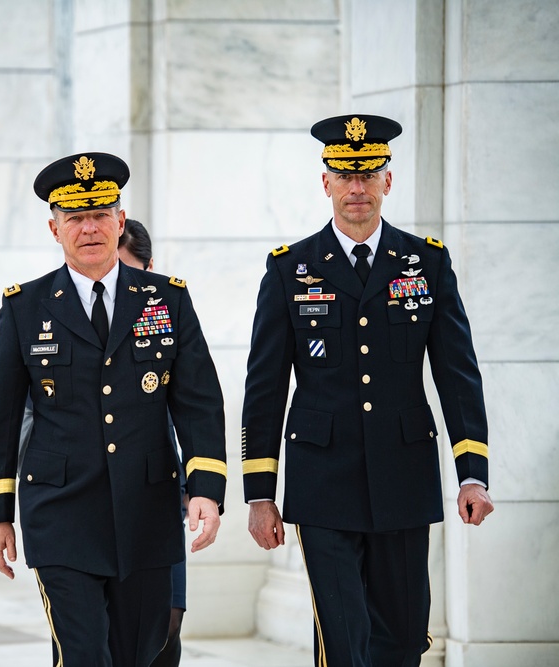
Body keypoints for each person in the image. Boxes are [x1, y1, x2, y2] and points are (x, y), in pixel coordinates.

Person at [241, 114, 493, 667]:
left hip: (404, 478)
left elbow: (458, 374)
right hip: (321, 482)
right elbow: (264, 387)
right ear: (325, 183)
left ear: (388, 180)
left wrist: (471, 473)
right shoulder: (290, 269)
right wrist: (260, 493)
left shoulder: (426, 263)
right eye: (345, 176)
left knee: (403, 639)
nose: (358, 189)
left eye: (369, 175)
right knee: (343, 636)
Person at [0, 152, 227, 667]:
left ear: (120, 221)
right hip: (60, 514)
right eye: (74, 217)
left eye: (99, 214)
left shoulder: (167, 300)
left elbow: (198, 402)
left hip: (147, 512)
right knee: (84, 652)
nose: (88, 227)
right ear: (54, 228)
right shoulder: (24, 307)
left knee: (141, 650)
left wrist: (206, 489)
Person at [116, 219, 186, 667]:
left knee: (167, 622)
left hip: (158, 492)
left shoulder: (168, 309)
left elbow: (193, 402)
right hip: (89, 499)